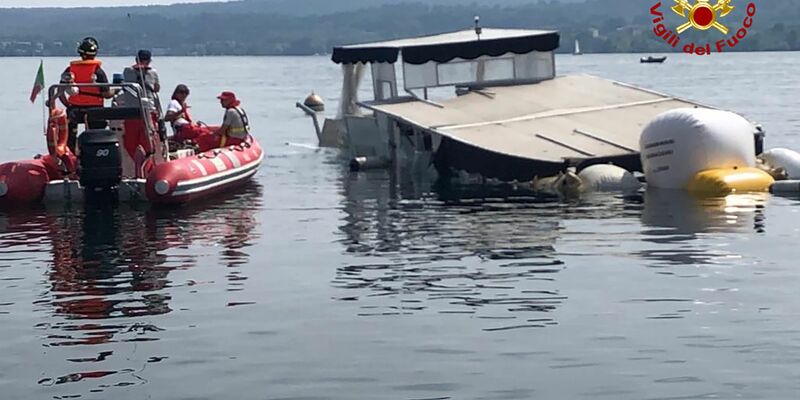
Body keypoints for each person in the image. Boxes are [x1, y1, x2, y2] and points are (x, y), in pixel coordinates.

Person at [62, 37, 116, 153]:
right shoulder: (98, 71)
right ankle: (97, 153)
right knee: (98, 135)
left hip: (74, 109)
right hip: (95, 109)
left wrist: (68, 105)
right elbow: (106, 94)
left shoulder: (70, 70)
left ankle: (70, 154)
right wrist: (116, 91)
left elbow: (60, 91)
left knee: (70, 135)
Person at [123, 49, 161, 114]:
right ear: (149, 60)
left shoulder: (127, 71)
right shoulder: (153, 72)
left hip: (130, 105)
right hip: (148, 106)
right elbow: (156, 89)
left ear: (136, 60)